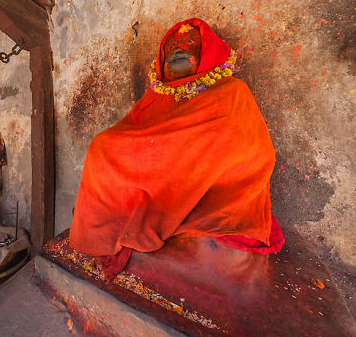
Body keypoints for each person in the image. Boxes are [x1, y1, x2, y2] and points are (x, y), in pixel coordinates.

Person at [69, 18, 283, 276]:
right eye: (172, 46)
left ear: (205, 52)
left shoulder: (231, 91)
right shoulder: (156, 96)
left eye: (188, 42)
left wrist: (167, 148)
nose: (178, 49)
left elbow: (240, 147)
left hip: (208, 185)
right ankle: (106, 226)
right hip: (157, 169)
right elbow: (132, 132)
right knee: (101, 145)